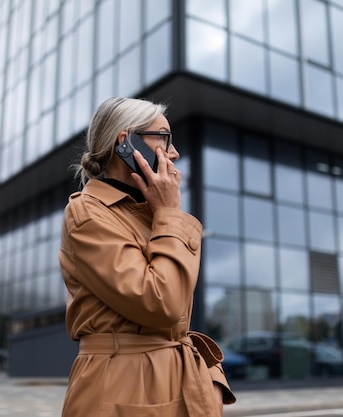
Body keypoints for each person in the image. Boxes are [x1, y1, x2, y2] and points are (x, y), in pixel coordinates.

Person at [59, 97, 236, 416]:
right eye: (164, 137)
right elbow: (162, 303)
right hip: (124, 386)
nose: (174, 152)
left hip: (168, 380)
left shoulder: (147, 212)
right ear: (126, 142)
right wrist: (169, 213)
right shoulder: (87, 213)